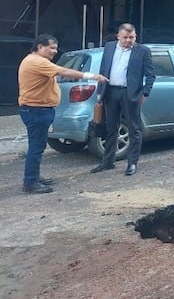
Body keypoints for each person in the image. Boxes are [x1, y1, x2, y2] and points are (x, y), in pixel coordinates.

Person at [17, 34, 108, 194]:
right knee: (36, 147)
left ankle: (34, 177)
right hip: (36, 110)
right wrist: (92, 76)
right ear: (39, 47)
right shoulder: (37, 62)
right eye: (51, 47)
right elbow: (63, 71)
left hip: (37, 109)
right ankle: (30, 182)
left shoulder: (36, 61)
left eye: (55, 47)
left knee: (37, 146)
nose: (55, 51)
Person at [90, 23, 155, 177]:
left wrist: (145, 93)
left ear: (135, 37)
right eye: (125, 37)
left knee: (134, 129)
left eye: (131, 37)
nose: (128, 40)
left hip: (130, 93)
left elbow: (151, 74)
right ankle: (107, 162)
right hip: (110, 92)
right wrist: (100, 91)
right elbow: (103, 69)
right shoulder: (109, 47)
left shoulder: (143, 51)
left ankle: (132, 163)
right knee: (111, 128)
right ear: (118, 36)